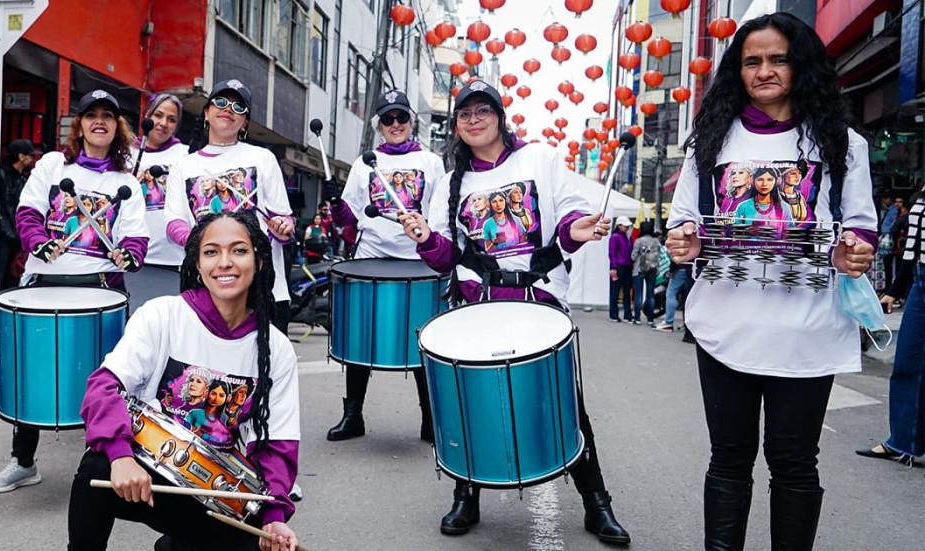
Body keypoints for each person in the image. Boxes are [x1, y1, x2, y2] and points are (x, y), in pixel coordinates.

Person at [665, 13, 877, 549]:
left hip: (807, 328)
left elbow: (860, 225)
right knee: (729, 459)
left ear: (800, 64)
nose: (764, 71)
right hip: (724, 326)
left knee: (794, 462)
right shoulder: (708, 143)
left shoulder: (843, 143)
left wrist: (857, 252)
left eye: (777, 58)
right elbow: (683, 220)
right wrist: (683, 240)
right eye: (751, 61)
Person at [398, 81, 630, 544]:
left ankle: (596, 503)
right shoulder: (451, 182)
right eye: (465, 114)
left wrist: (574, 229)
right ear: (457, 126)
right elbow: (446, 258)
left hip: (536, 301)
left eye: (483, 110)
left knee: (566, 404)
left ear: (501, 117)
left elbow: (568, 215)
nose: (474, 119)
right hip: (477, 307)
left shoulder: (538, 159)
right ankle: (466, 496)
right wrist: (425, 236)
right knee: (467, 403)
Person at [67, 211, 301, 551]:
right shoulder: (162, 315)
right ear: (196, 264)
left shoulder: (275, 348)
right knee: (96, 469)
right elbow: (103, 388)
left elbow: (278, 443)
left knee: (262, 542)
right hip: (143, 469)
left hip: (212, 491)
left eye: (239, 250)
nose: (225, 263)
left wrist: (274, 515)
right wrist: (120, 457)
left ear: (260, 262)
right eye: (211, 252)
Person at [0, 89, 150, 495]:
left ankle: (111, 461)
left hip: (101, 288)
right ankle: (23, 462)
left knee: (112, 381)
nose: (99, 121)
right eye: (91, 114)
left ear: (117, 127)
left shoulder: (125, 182)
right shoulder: (53, 165)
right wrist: (38, 241)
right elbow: (27, 213)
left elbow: (137, 239)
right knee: (32, 370)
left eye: (107, 116)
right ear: (78, 124)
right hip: (46, 286)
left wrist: (128, 255)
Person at [322, 89, 445, 443]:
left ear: (411, 122)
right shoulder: (365, 162)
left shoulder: (431, 163)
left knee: (424, 340)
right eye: (387, 119)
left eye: (401, 118)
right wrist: (334, 200)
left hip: (417, 262)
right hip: (371, 257)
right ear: (378, 125)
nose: (395, 124)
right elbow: (350, 221)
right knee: (360, 334)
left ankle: (429, 419)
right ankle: (352, 415)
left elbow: (439, 216)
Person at [165, 79, 295, 333]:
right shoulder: (184, 166)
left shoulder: (263, 158)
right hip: (205, 283)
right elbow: (174, 223)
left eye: (238, 107)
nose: (228, 110)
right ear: (206, 112)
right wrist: (204, 242)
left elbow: (283, 217)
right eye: (221, 102)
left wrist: (283, 228)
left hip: (262, 285)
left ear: (245, 122)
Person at [858, 188, 925, 465]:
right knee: (908, 362)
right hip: (920, 283)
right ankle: (902, 441)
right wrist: (895, 290)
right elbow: (915, 244)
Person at [128, 93, 191, 310]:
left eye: (171, 120)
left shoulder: (186, 156)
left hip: (172, 260)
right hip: (130, 259)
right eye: (158, 115)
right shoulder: (125, 153)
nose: (163, 124)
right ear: (146, 116)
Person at [0, 139, 38, 290]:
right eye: (30, 156)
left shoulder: (22, 178)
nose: (32, 160)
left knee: (13, 275)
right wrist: (7, 231)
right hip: (2, 236)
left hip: (16, 236)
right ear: (21, 156)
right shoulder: (0, 176)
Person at [631, 222, 660, 326]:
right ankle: (650, 319)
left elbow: (633, 256)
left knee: (638, 294)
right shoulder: (656, 241)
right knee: (650, 295)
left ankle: (637, 318)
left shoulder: (638, 241)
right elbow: (659, 255)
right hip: (652, 269)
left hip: (639, 269)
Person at [608, 216, 634, 323]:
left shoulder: (627, 237)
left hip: (627, 267)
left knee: (627, 292)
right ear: (619, 226)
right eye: (625, 226)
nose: (627, 228)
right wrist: (613, 268)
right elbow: (612, 253)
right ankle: (614, 314)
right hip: (618, 266)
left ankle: (627, 315)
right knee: (615, 291)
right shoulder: (615, 237)